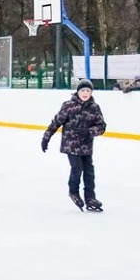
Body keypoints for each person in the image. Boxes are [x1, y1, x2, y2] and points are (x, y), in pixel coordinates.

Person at [42, 79, 107, 211]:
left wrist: (90, 132)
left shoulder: (94, 108)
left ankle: (90, 198)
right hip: (70, 145)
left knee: (89, 172)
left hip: (86, 146)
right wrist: (46, 138)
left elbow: (101, 126)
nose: (85, 93)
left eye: (88, 91)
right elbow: (56, 122)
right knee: (77, 168)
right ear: (78, 92)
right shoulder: (68, 106)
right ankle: (73, 192)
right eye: (83, 90)